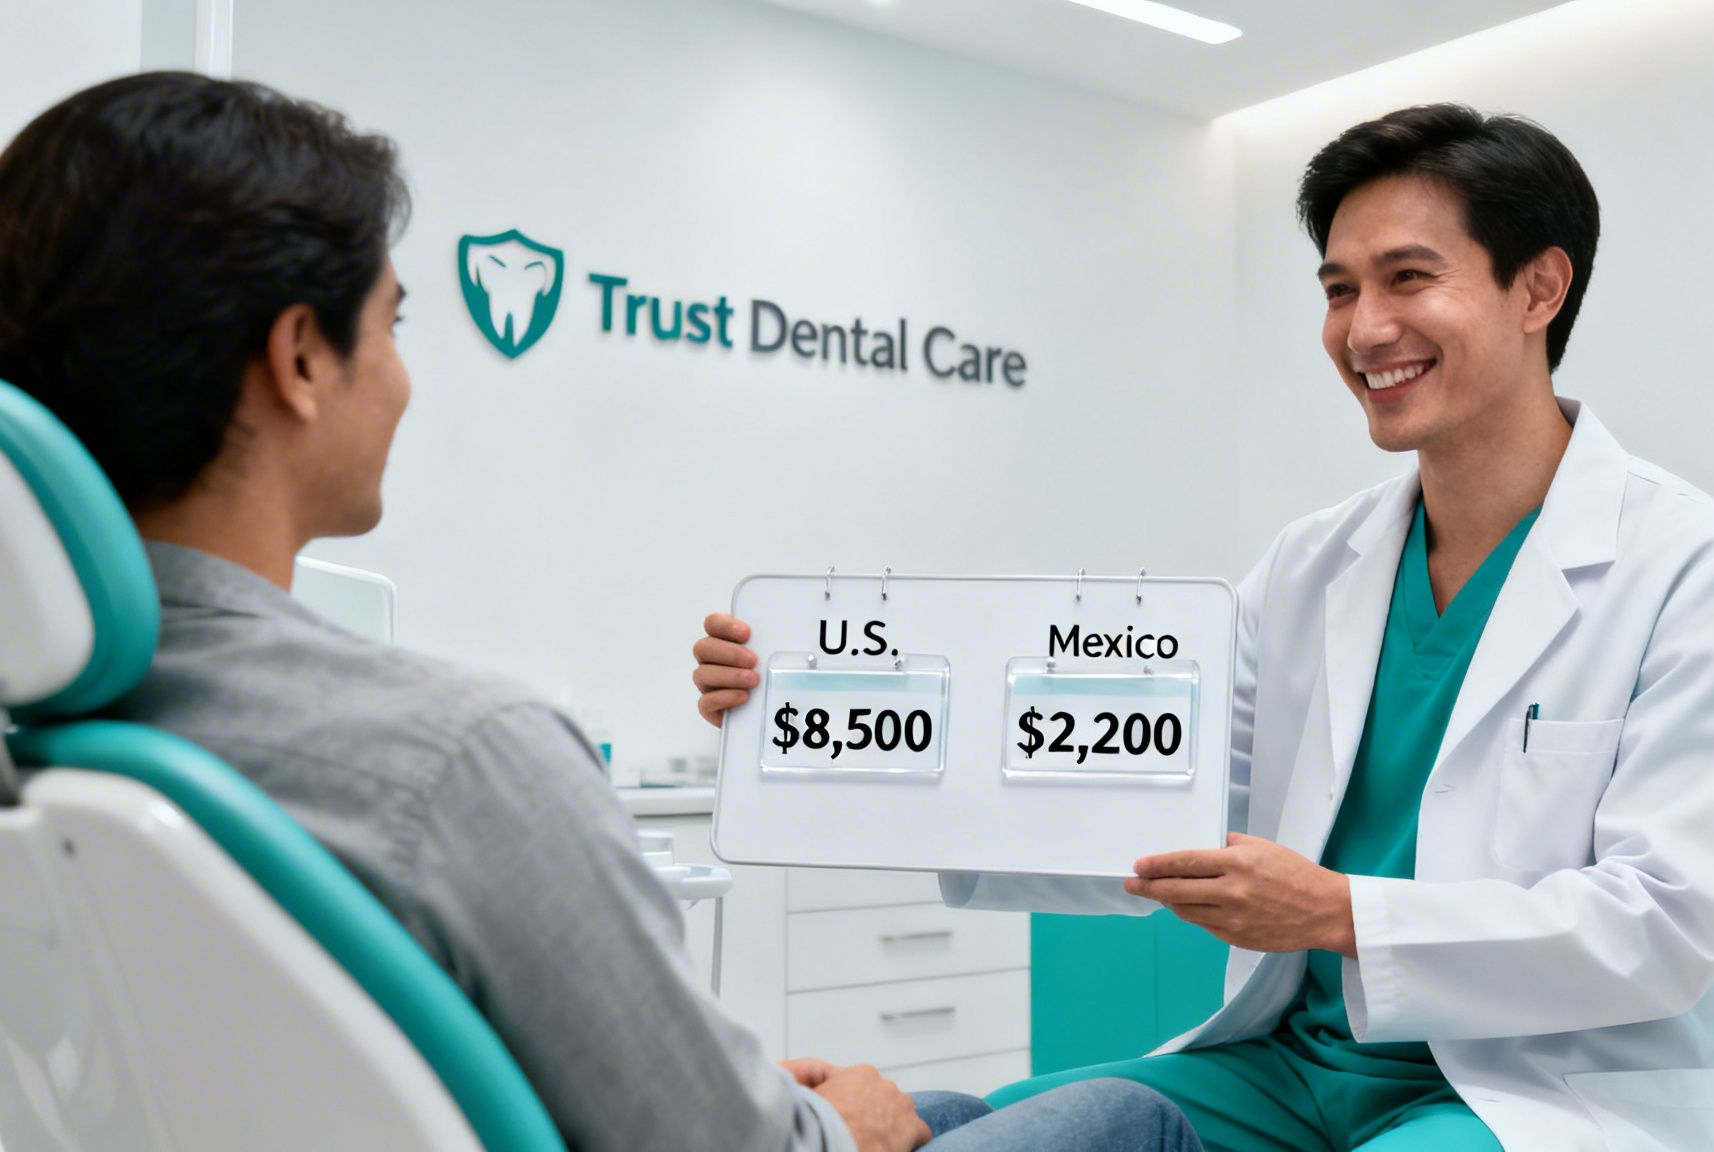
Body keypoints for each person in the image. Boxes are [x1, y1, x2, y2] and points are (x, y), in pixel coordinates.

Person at [0, 71, 1199, 1152]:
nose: (405, 377)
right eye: (396, 323)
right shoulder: (455, 757)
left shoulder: (60, 742)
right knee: (1128, 1115)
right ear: (302, 358)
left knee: (955, 1111)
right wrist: (832, 1129)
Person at [694, 104, 1714, 1152]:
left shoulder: (1703, 574)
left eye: (1407, 278)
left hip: (1551, 1087)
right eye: (1338, 289)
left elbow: (1661, 930)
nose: (1364, 330)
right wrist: (809, 716)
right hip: (1284, 1072)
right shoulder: (1310, 569)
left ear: (1537, 289)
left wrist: (1336, 914)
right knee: (991, 1128)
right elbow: (1140, 813)